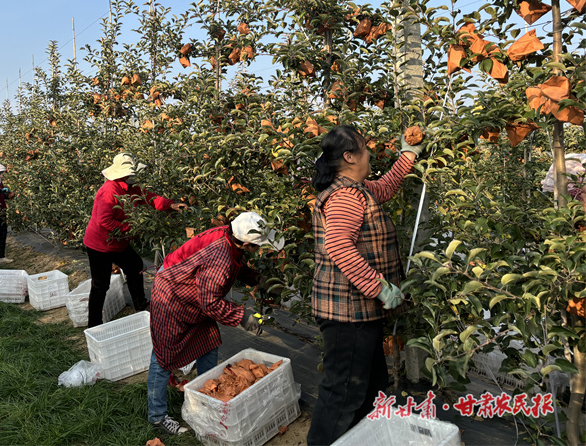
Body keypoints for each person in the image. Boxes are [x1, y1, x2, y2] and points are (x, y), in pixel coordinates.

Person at [306, 125, 423, 446]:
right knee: (344, 391)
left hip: (357, 313)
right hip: (347, 314)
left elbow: (385, 187)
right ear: (348, 156)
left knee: (370, 385)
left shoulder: (359, 189)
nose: (370, 152)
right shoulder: (345, 196)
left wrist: (409, 154)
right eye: (364, 147)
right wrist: (380, 287)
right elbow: (339, 246)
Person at [147, 211, 284, 435]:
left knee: (209, 345)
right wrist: (242, 317)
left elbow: (233, 265)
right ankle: (157, 416)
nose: (259, 250)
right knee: (164, 357)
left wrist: (256, 278)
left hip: (192, 294)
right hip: (173, 297)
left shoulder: (228, 236)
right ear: (247, 243)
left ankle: (208, 398)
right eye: (257, 246)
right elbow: (210, 303)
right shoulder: (220, 257)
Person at [83, 152, 186, 328]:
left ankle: (140, 304)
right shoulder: (109, 191)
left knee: (135, 266)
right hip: (100, 245)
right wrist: (132, 229)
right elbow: (104, 220)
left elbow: (150, 198)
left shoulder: (131, 188)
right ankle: (94, 324)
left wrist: (170, 204)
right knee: (100, 285)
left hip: (119, 242)